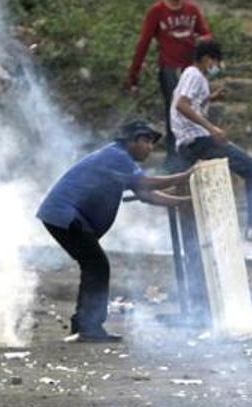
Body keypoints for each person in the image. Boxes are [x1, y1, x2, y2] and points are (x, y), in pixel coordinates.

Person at [37, 120, 192, 342]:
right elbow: (146, 184)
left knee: (93, 266)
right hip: (65, 215)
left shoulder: (121, 161)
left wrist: (181, 202)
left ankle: (84, 326)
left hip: (61, 215)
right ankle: (89, 328)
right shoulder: (117, 156)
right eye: (146, 141)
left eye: (152, 143)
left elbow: (145, 194)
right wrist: (184, 176)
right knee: (97, 265)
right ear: (132, 141)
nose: (150, 148)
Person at [170, 39, 252, 243]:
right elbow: (182, 105)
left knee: (196, 188)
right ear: (206, 58)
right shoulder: (194, 74)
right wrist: (212, 128)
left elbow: (191, 103)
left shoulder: (191, 75)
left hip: (189, 141)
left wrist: (210, 98)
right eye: (215, 61)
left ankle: (200, 237)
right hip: (198, 140)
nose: (217, 66)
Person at [126, 0, 211, 158]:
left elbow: (206, 33)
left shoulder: (191, 9)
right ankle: (174, 156)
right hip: (170, 68)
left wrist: (202, 40)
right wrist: (133, 75)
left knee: (196, 109)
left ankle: (194, 152)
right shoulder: (157, 11)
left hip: (191, 69)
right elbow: (144, 43)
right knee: (175, 111)